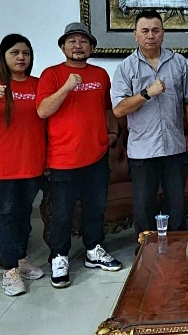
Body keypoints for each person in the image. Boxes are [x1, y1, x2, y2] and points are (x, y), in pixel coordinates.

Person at [37, 22, 123, 289]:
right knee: (62, 213)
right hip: (63, 158)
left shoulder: (100, 74)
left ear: (92, 47)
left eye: (83, 41)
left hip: (96, 155)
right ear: (63, 47)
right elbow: (43, 111)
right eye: (72, 41)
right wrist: (66, 87)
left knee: (95, 208)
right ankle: (59, 257)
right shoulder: (51, 74)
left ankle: (93, 250)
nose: (78, 46)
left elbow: (107, 108)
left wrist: (112, 132)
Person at [0, 34, 46, 296]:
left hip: (32, 162)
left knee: (24, 215)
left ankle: (21, 259)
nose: (21, 58)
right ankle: (9, 270)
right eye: (14, 52)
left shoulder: (37, 84)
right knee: (6, 215)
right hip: (2, 165)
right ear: (3, 56)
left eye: (26, 53)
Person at [112, 10, 188, 234]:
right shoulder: (126, 67)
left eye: (155, 30)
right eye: (145, 31)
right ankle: (145, 251)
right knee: (144, 208)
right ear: (135, 35)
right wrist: (146, 93)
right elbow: (119, 109)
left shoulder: (178, 62)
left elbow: (187, 102)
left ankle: (176, 248)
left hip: (174, 147)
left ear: (163, 33)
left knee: (176, 206)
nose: (151, 35)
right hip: (143, 151)